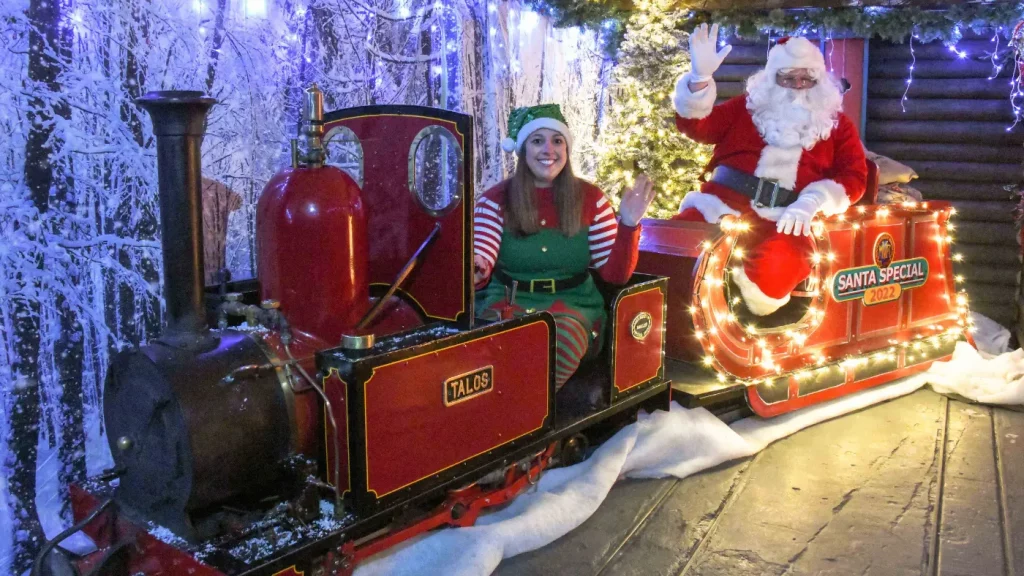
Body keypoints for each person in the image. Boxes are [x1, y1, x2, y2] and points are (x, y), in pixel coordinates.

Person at [672, 24, 867, 316]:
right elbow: (697, 127)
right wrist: (699, 80)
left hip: (787, 218)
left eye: (807, 78)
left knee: (778, 266)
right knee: (678, 247)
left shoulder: (838, 126)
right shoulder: (747, 108)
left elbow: (855, 177)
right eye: (788, 78)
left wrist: (812, 202)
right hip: (721, 203)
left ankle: (736, 326)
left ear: (820, 81)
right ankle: (669, 318)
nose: (798, 86)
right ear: (772, 79)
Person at [473, 104, 656, 388]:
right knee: (494, 347)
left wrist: (629, 224)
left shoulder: (591, 199)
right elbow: (482, 254)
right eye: (537, 141)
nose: (549, 149)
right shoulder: (495, 200)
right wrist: (477, 266)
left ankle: (529, 419)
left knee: (558, 344)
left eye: (557, 141)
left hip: (573, 306)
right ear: (522, 151)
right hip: (508, 302)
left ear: (566, 149)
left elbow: (615, 276)